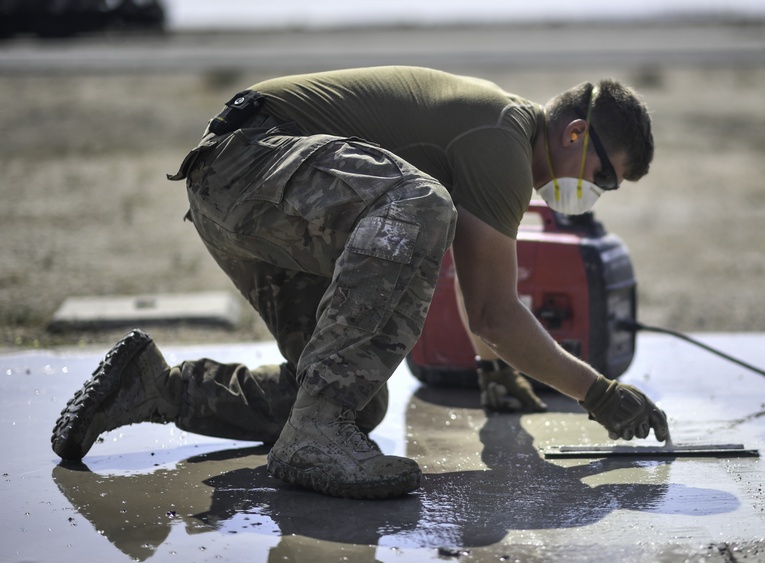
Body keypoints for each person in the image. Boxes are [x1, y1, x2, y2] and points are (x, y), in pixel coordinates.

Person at [51, 66, 670, 499]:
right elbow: (493, 313)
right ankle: (314, 439)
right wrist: (599, 393)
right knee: (424, 207)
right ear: (575, 134)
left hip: (248, 197)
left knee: (351, 398)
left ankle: (154, 387)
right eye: (605, 177)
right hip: (250, 162)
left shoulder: (502, 145)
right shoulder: (503, 141)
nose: (596, 194)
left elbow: (484, 298)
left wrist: (494, 373)